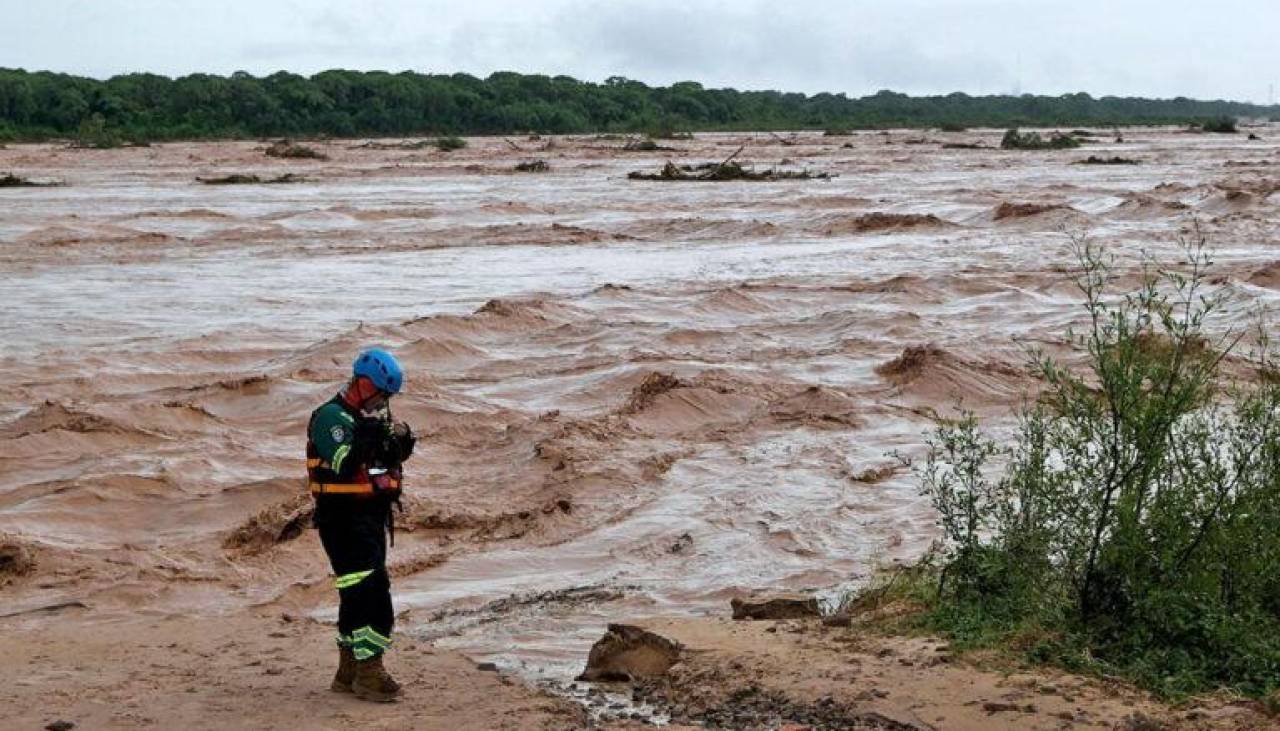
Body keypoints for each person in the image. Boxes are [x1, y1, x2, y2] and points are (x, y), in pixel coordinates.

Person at [306, 348, 416, 702]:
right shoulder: (330, 418)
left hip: (369, 518)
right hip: (342, 519)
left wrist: (397, 443)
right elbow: (343, 462)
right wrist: (370, 438)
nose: (384, 403)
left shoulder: (370, 419)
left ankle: (349, 671)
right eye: (382, 394)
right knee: (371, 592)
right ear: (365, 383)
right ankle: (369, 671)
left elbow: (383, 460)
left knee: (356, 593)